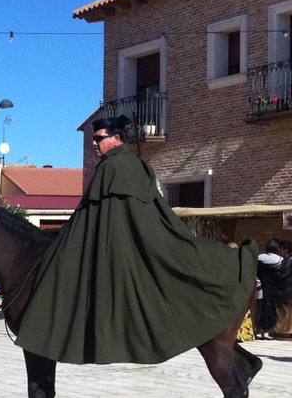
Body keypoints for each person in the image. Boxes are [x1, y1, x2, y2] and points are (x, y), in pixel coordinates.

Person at [14, 115, 257, 364]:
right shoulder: (132, 164)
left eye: (98, 139)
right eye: (93, 139)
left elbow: (112, 218)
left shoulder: (114, 167)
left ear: (116, 139)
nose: (94, 144)